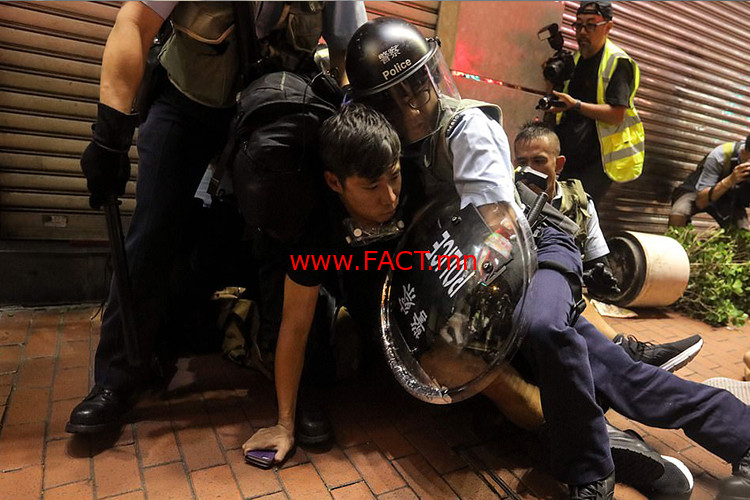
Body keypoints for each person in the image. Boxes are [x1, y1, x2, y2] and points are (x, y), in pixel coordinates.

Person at [343, 17, 750, 499]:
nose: (416, 105)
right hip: (479, 268)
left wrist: (464, 315)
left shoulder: (468, 128)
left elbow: (497, 232)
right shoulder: (390, 147)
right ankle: (738, 432)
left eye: (419, 88)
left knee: (543, 327)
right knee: (614, 372)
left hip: (534, 242)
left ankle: (589, 470)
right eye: (399, 98)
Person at [67, 0, 367, 435]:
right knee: (152, 232)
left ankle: (299, 382)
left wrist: (343, 128)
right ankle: (117, 378)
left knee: (287, 236)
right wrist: (109, 135)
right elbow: (135, 21)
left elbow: (348, 51)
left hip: (274, 103)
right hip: (187, 98)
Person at [243, 103, 407, 463]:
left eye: (394, 177)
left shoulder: (407, 187)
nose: (390, 198)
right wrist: (283, 425)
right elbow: (295, 327)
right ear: (335, 182)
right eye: (372, 187)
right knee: (306, 334)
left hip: (372, 258)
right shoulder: (312, 225)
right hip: (292, 258)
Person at [514, 122, 704, 373]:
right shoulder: (507, 199)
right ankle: (628, 352)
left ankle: (628, 359)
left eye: (539, 161)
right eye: (522, 162)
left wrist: (596, 279)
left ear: (558, 165)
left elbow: (597, 261)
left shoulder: (580, 203)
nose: (530, 170)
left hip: (563, 300)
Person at [547, 0, 645, 204]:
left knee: (579, 211)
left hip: (599, 159)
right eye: (578, 25)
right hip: (569, 153)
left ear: (608, 27)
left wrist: (576, 105)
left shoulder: (618, 62)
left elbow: (617, 114)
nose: (582, 32)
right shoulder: (575, 60)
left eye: (591, 25)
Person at [669, 134, 750, 229]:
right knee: (679, 212)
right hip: (698, 190)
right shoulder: (720, 155)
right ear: (743, 153)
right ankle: (675, 237)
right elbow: (700, 202)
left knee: (742, 229)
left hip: (728, 197)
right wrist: (730, 180)